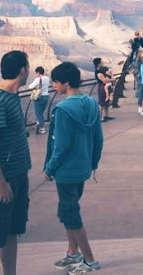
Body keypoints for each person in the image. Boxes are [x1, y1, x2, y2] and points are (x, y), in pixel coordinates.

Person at [45, 62, 104, 274]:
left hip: (66, 171)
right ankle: (73, 253)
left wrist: (50, 168)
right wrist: (93, 162)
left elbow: (60, 145)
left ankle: (90, 260)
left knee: (71, 214)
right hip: (83, 167)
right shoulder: (91, 103)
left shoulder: (62, 110)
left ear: (66, 83)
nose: (54, 86)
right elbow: (98, 138)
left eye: (56, 82)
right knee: (67, 210)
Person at [0, 50, 32, 275]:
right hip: (3, 180)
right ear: (22, 70)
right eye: (28, 66)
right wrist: (1, 183)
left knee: (11, 233)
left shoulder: (12, 96)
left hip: (18, 176)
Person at [29, 66, 51, 134]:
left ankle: (42, 128)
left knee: (38, 113)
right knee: (41, 112)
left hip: (39, 97)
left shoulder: (38, 79)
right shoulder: (47, 78)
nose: (36, 74)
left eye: (36, 73)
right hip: (46, 97)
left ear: (38, 73)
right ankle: (38, 124)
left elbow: (30, 86)